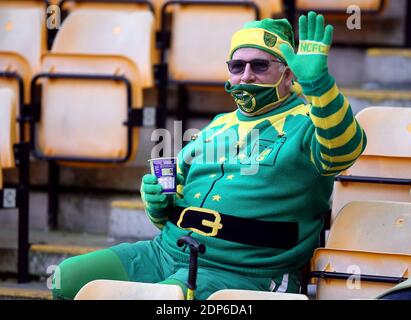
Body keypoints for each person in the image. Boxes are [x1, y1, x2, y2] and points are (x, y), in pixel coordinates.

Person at [52, 12, 366, 300]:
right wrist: (158, 203)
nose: (246, 76)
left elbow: (344, 151)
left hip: (245, 272)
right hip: (167, 252)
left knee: (160, 300)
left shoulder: (311, 122)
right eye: (237, 66)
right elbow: (173, 193)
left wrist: (319, 85)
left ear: (287, 75)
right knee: (66, 279)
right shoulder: (218, 125)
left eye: (260, 66)